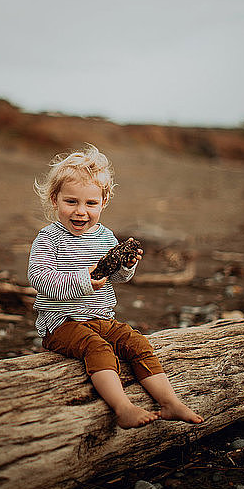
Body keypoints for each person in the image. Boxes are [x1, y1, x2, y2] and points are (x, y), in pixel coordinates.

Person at [28, 144, 204, 429]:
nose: (80, 211)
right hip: (61, 324)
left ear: (104, 201)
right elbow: (39, 279)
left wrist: (126, 265)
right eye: (71, 202)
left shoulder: (105, 237)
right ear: (54, 199)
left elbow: (118, 278)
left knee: (138, 343)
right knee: (98, 348)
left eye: (90, 203)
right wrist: (84, 280)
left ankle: (169, 402)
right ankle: (123, 407)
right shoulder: (49, 238)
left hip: (102, 317)